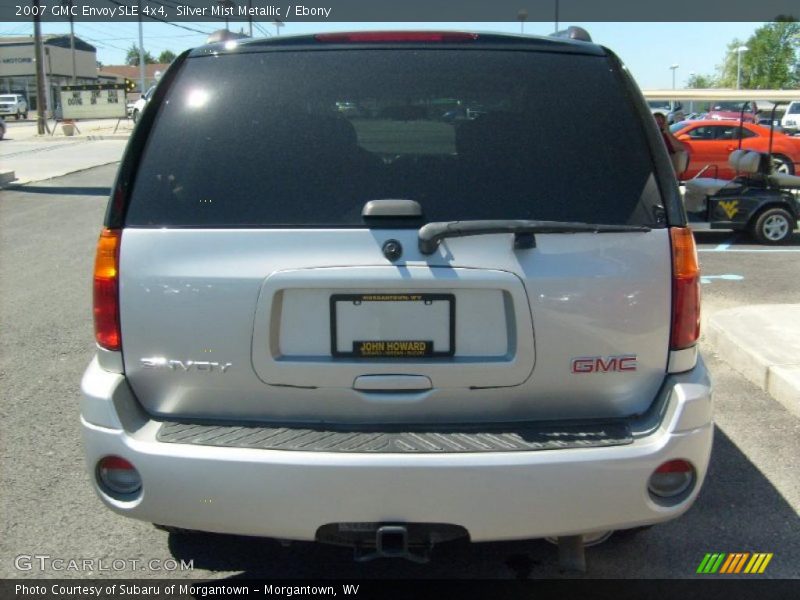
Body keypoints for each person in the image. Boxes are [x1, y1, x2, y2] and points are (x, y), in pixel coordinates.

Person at [654, 111, 689, 177]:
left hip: (664, 170)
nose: (658, 126)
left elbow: (680, 148)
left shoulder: (665, 136)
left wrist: (667, 132)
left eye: (661, 124)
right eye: (656, 123)